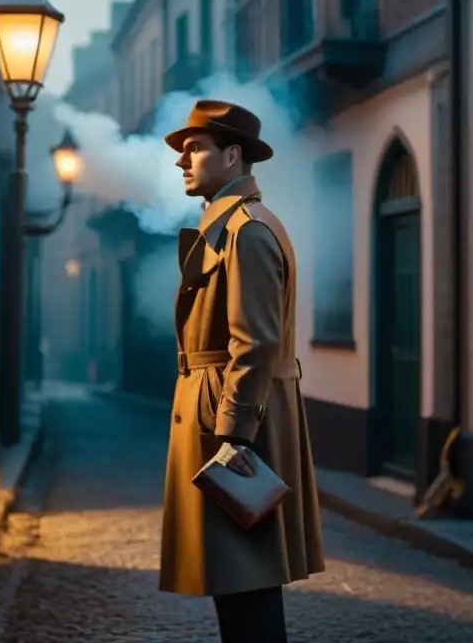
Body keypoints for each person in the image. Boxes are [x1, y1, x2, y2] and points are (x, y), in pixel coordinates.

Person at [158, 99, 326, 643]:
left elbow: (255, 343)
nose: (183, 161)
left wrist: (233, 438)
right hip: (224, 410)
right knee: (236, 582)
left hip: (231, 419)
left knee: (246, 582)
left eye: (195, 150)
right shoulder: (228, 226)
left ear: (232, 156)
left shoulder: (247, 230)